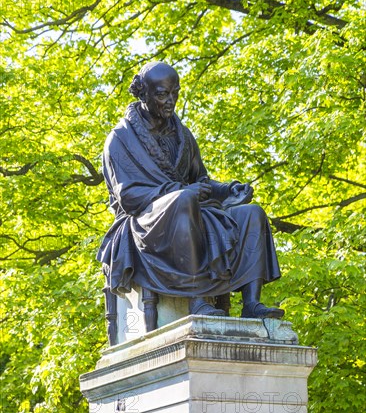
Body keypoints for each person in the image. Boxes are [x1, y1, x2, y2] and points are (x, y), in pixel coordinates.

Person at [97, 62, 284, 319]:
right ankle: (197, 300)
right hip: (142, 225)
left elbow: (201, 180)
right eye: (162, 94)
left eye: (175, 93)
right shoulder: (120, 139)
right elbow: (129, 197)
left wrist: (227, 190)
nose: (170, 101)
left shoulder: (182, 136)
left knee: (251, 213)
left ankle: (251, 304)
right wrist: (180, 192)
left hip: (189, 212)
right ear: (143, 94)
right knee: (183, 199)